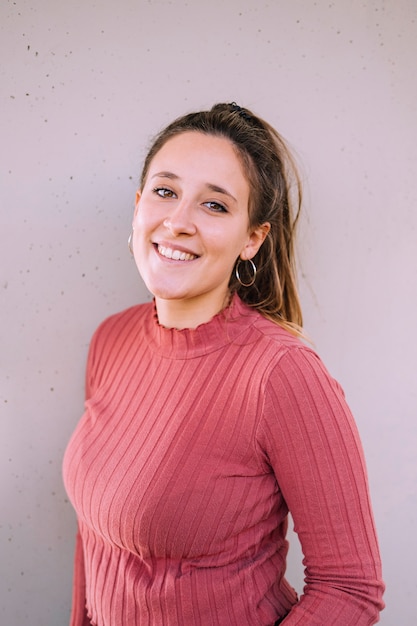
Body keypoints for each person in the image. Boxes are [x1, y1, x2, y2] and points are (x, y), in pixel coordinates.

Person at [63, 102, 385, 625]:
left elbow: (350, 589)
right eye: (165, 192)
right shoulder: (111, 339)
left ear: (251, 239)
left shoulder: (282, 374)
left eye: (214, 206)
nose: (178, 222)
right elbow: (96, 542)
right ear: (139, 205)